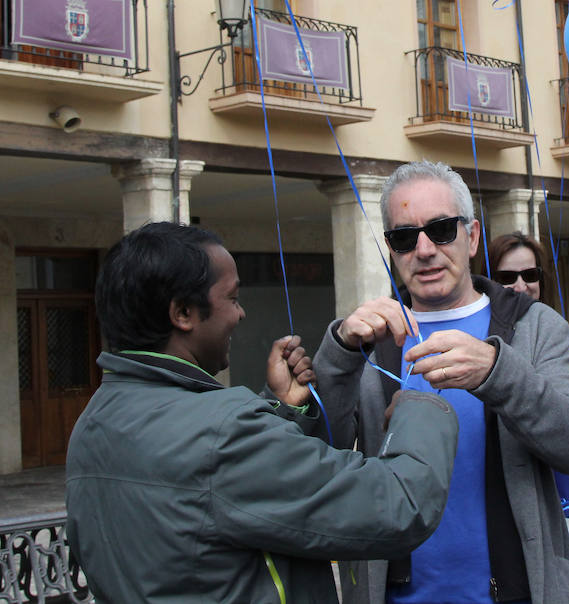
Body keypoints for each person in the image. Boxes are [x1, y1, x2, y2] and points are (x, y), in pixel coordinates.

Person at [66, 222, 459, 604]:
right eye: (232, 298)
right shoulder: (219, 433)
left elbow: (212, 510)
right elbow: (399, 506)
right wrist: (421, 406)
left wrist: (283, 410)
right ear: (183, 313)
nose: (241, 315)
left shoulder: (92, 422)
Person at [313, 161, 569, 604]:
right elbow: (317, 454)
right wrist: (338, 354)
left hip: (517, 591)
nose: (424, 250)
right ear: (391, 248)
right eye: (405, 237)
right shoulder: (369, 335)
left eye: (442, 229)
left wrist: (496, 373)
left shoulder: (535, 324)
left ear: (473, 237)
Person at [487, 230, 569, 514]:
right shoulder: (482, 341)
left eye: (530, 274)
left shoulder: (554, 334)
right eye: (507, 277)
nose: (521, 286)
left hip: (557, 494)